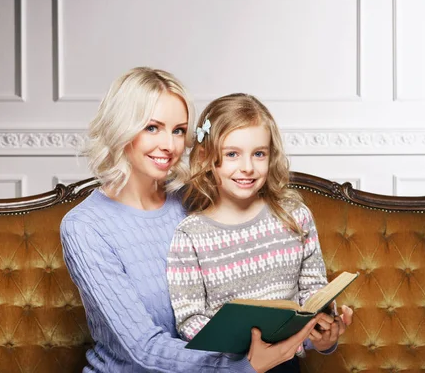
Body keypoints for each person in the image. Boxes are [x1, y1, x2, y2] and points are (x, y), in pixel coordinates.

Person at [60, 67, 324, 373]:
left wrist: (310, 332)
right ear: (122, 128)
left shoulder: (197, 199)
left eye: (178, 130)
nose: (170, 146)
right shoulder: (85, 227)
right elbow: (142, 349)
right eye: (152, 128)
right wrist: (242, 365)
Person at [166, 93, 353, 372]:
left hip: (286, 364)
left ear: (270, 155)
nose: (248, 167)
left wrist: (324, 334)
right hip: (230, 367)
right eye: (232, 154)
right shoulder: (190, 235)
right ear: (207, 158)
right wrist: (242, 351)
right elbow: (189, 320)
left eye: (258, 154)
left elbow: (312, 292)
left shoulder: (294, 215)